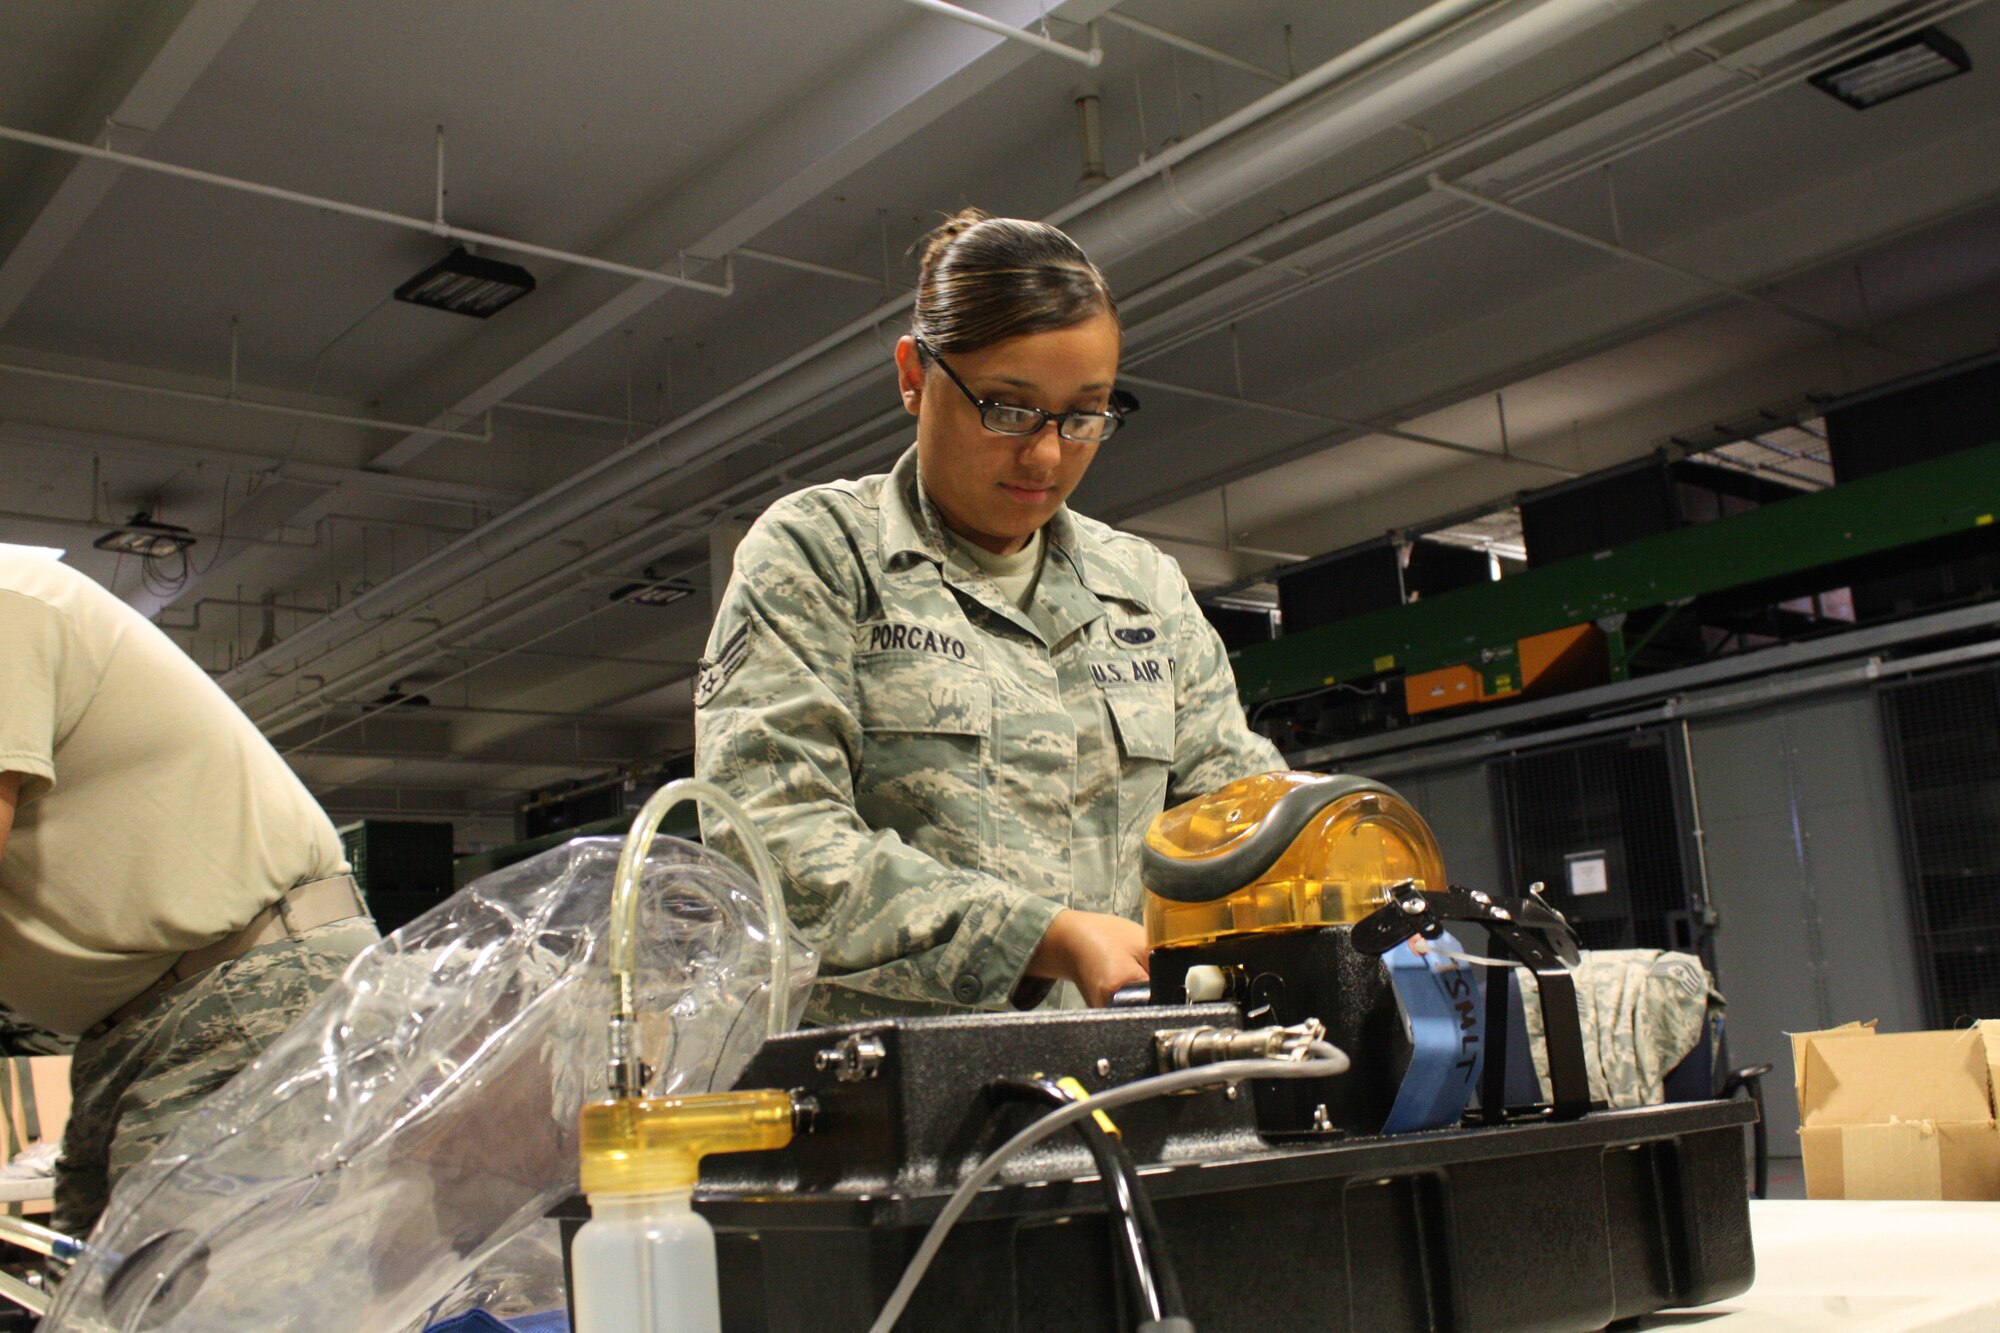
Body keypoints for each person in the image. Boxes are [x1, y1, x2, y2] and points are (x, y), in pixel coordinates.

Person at [695, 210, 1282, 1024]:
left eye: (1085, 415)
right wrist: (1040, 936)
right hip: (896, 1107)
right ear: (913, 374)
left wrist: (1346, 861)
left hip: (1133, 1089)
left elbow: (1235, 813)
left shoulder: (1142, 589)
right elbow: (770, 844)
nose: (1046, 455)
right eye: (1007, 408)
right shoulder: (823, 557)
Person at [0, 545, 378, 1235]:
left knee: (220, 1305)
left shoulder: (7, 601)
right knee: (112, 1305)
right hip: (142, 1024)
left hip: (241, 993)